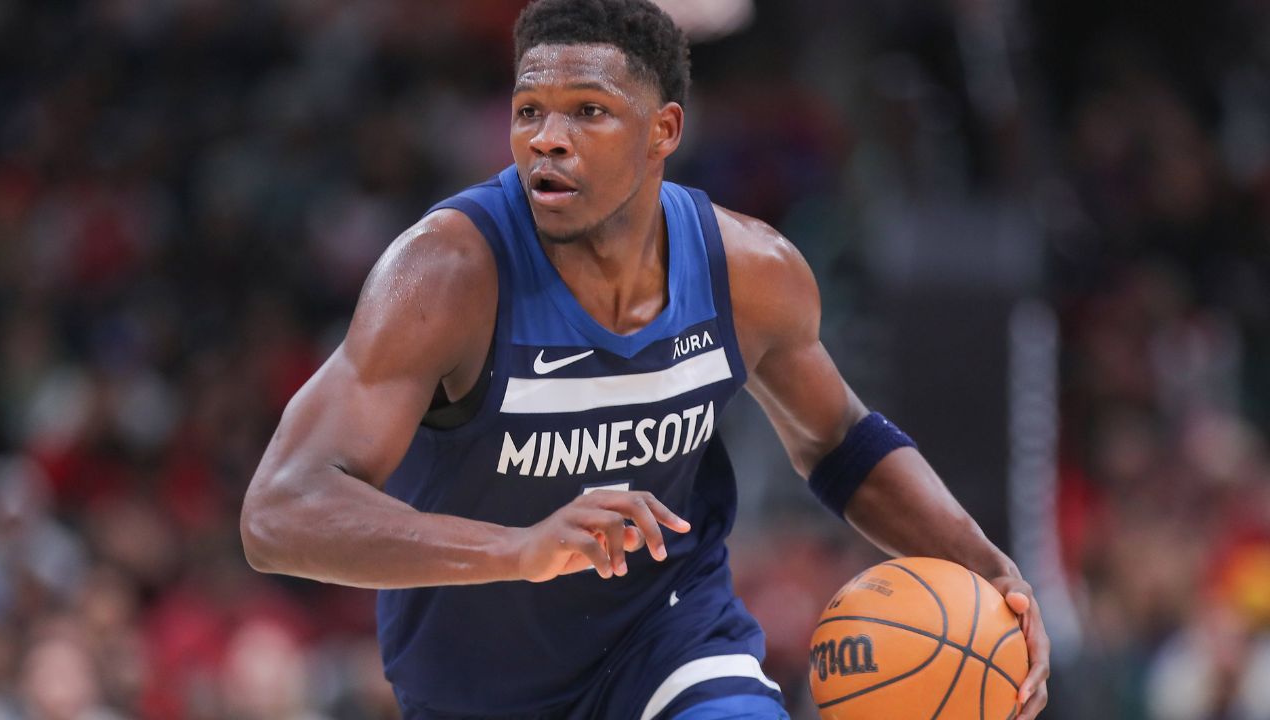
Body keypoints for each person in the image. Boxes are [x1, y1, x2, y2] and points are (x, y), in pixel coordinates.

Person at [239, 0, 1051, 718]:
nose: (547, 140)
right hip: (474, 688)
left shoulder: (749, 271)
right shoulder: (445, 275)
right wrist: (516, 550)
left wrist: (989, 569)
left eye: (588, 111)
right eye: (529, 112)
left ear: (663, 130)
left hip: (670, 640)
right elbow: (280, 511)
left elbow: (840, 442)